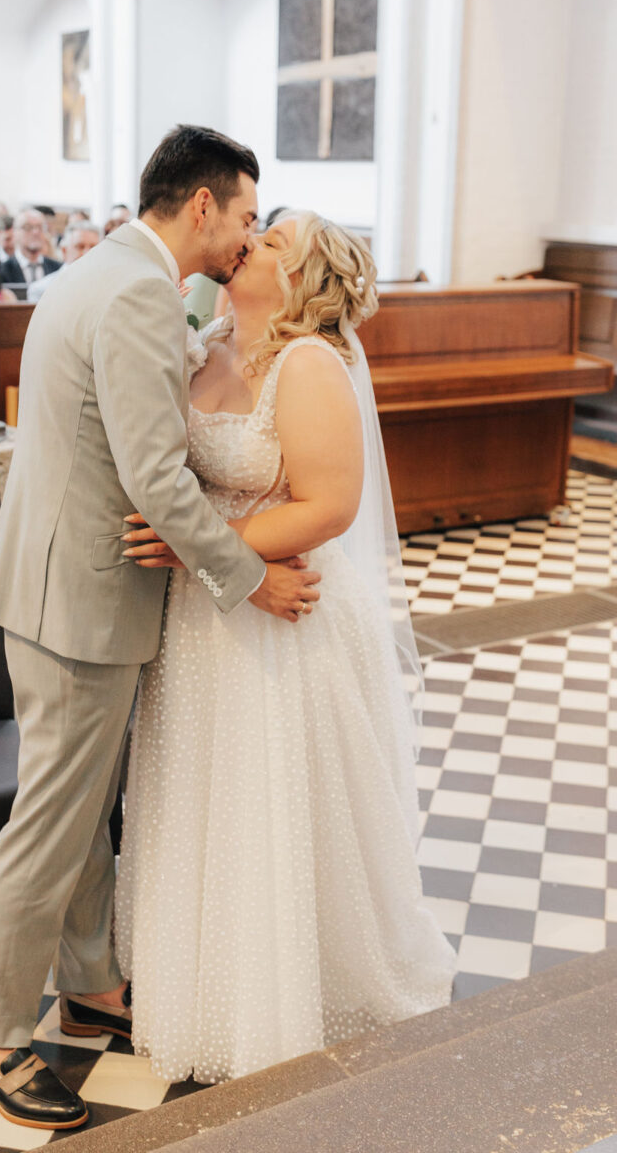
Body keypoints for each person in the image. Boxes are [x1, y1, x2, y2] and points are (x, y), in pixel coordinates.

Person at [0, 125, 319, 1131]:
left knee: (77, 811)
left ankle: (90, 987)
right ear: (200, 205)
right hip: (77, 602)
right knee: (53, 822)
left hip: (51, 588)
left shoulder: (104, 269)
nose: (248, 238)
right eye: (244, 216)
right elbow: (156, 476)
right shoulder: (134, 296)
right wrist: (248, 577)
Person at [114, 211, 457, 1085]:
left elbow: (331, 505)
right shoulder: (210, 340)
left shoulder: (308, 366)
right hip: (204, 614)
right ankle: (200, 984)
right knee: (203, 794)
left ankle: (287, 990)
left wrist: (204, 551)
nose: (250, 243)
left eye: (271, 241)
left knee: (270, 798)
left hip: (280, 612)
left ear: (302, 279)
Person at [26, 220, 100, 302]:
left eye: (93, 247)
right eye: (80, 247)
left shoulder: (106, 287)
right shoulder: (42, 290)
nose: (87, 253)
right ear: (64, 251)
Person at [0, 207, 62, 283]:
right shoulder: (2, 270)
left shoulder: (57, 269)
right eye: (28, 227)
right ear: (15, 232)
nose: (35, 232)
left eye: (40, 227)